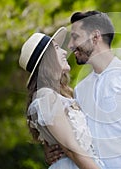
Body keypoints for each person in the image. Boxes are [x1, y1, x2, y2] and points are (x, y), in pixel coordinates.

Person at [45, 11, 121, 169]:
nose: (70, 45)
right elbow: (78, 139)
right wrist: (53, 151)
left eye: (75, 37)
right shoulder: (79, 90)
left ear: (95, 37)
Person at [19, 27, 103, 169]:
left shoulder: (62, 95)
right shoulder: (45, 97)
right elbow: (71, 148)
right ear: (47, 59)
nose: (65, 52)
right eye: (57, 48)